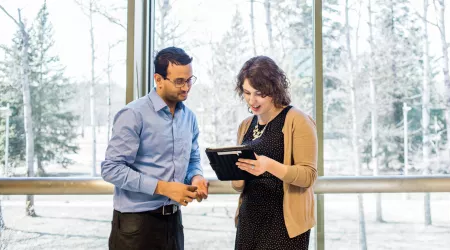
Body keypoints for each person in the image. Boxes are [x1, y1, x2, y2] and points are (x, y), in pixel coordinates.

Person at [101, 46, 208, 250]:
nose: (186, 87)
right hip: (136, 227)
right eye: (179, 81)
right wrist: (163, 187)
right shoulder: (133, 115)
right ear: (158, 79)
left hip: (174, 223)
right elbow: (111, 169)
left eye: (189, 80)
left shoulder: (189, 118)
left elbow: (193, 159)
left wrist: (196, 177)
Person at [232, 56, 318, 250]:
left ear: (274, 89)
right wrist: (232, 169)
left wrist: (268, 165)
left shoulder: (297, 120)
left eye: (259, 93)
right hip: (249, 219)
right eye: (247, 92)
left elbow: (308, 176)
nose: (252, 100)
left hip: (284, 224)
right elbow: (239, 186)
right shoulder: (246, 125)